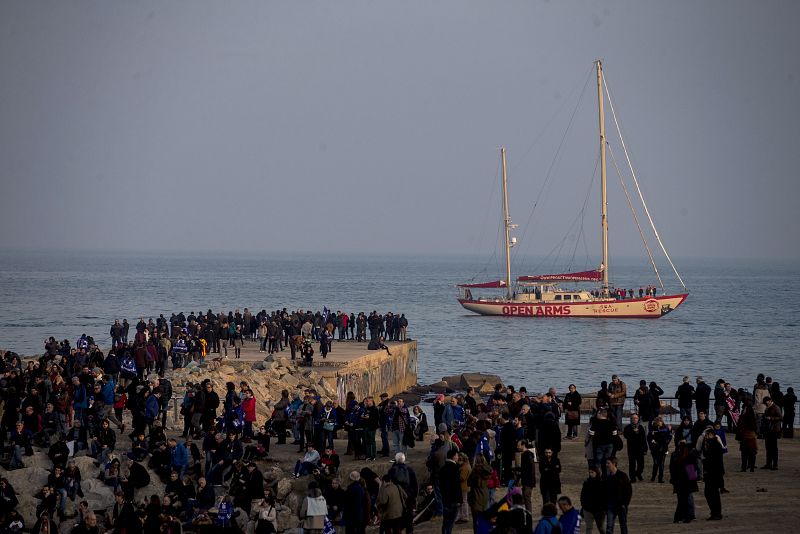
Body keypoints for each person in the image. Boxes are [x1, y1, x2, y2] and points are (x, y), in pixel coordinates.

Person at [669, 440, 698, 523]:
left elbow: (672, 468)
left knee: (683, 500)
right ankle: (686, 516)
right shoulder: (689, 455)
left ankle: (681, 517)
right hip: (685, 481)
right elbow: (693, 468)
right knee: (685, 499)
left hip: (681, 481)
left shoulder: (677, 455)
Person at [700, 428, 724, 520]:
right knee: (711, 493)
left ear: (712, 435)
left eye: (708, 435)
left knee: (711, 493)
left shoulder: (714, 445)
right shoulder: (710, 444)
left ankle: (716, 513)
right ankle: (715, 512)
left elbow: (713, 460)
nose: (706, 437)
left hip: (713, 473)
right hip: (711, 473)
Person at [604, 457, 631, 534]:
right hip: (610, 505)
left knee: (623, 526)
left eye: (608, 463)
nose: (607, 465)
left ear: (614, 464)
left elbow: (628, 491)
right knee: (609, 526)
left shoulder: (623, 476)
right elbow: (605, 492)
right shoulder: (607, 478)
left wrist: (625, 503)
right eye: (606, 463)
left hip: (621, 505)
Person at [440, 448, 462, 534]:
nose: (457, 457)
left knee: (445, 520)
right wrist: (459, 499)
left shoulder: (443, 468)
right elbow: (456, 486)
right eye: (456, 455)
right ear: (453, 456)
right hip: (453, 499)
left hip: (445, 498)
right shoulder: (455, 468)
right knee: (450, 522)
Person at [579, 467, 605, 534]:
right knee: (588, 528)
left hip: (599, 510)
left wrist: (603, 508)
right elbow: (582, 494)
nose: (590, 474)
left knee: (601, 528)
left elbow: (605, 497)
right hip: (587, 509)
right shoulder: (587, 482)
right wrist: (583, 504)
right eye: (589, 472)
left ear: (597, 473)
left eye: (592, 472)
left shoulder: (602, 483)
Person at [622, 414, 646, 482]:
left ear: (638, 419)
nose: (635, 419)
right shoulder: (628, 427)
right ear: (631, 419)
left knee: (641, 465)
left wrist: (645, 448)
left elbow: (644, 438)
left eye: (636, 418)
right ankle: (632, 478)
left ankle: (638, 473)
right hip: (631, 449)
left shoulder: (641, 427)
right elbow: (626, 436)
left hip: (640, 448)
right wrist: (633, 432)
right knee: (632, 465)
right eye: (633, 418)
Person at [647, 417, 671, 483]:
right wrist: (652, 444)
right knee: (656, 463)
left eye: (661, 421)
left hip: (664, 448)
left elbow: (669, 437)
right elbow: (649, 438)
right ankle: (653, 477)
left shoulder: (665, 429)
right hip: (655, 449)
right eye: (658, 421)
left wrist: (666, 442)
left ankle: (660, 478)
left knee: (661, 464)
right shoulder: (652, 429)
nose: (659, 422)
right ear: (655, 422)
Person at [761, 396, 782, 470]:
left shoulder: (776, 407)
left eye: (766, 403)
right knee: (768, 448)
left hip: (774, 430)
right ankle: (768, 463)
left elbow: (780, 417)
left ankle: (775, 464)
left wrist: (771, 418)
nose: (765, 404)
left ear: (770, 401)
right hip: (768, 430)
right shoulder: (768, 408)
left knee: (773, 448)